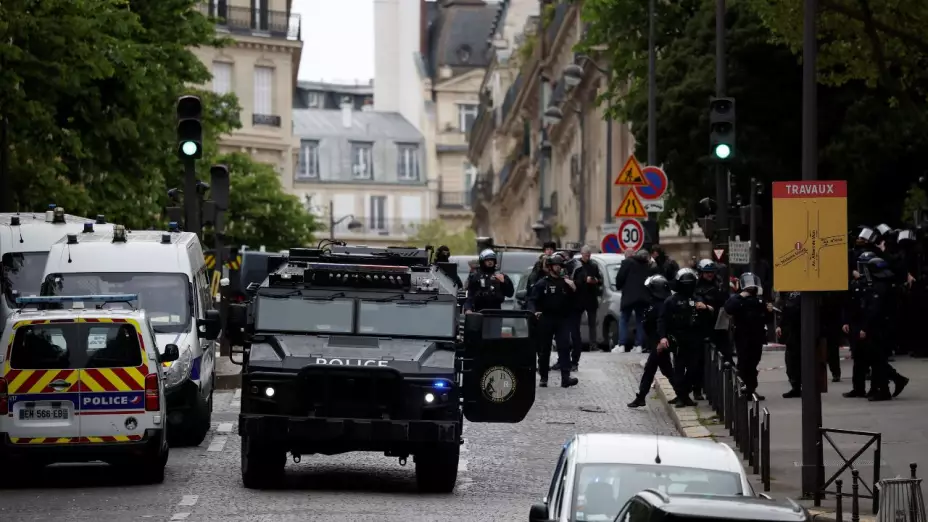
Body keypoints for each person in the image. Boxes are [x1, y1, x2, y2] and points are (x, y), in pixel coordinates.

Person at [842, 254, 909, 400]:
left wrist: (865, 328)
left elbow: (875, 309)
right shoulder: (874, 284)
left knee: (876, 359)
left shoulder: (880, 286)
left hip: (878, 327)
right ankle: (871, 388)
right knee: (865, 358)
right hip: (869, 325)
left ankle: (883, 388)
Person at [657, 268, 711, 408]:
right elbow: (662, 320)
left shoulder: (695, 299)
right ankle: (682, 397)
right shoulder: (671, 301)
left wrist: (705, 308)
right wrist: (663, 337)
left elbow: (708, 316)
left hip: (694, 338)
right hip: (678, 339)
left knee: (693, 369)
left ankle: (684, 394)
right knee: (679, 369)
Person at [528, 253, 579, 388]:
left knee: (564, 347)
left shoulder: (566, 283)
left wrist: (574, 288)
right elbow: (532, 300)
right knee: (545, 349)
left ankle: (565, 377)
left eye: (560, 265)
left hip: (562, 319)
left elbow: (575, 301)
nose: (559, 268)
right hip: (546, 319)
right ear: (550, 267)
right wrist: (534, 312)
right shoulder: (542, 283)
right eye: (556, 265)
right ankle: (544, 376)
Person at [627, 275, 678, 408]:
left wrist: (661, 341)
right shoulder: (656, 303)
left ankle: (642, 397)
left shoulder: (661, 305)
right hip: (655, 341)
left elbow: (661, 324)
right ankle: (681, 394)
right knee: (665, 369)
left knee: (652, 368)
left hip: (659, 342)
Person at [724, 272, 773, 400]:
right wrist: (740, 296)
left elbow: (768, 319)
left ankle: (751, 389)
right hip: (743, 336)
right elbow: (728, 308)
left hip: (757, 336)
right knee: (743, 363)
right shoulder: (738, 299)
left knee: (753, 363)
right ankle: (742, 388)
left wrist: (769, 310)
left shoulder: (759, 300)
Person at [693, 259, 725, 401]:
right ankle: (697, 389)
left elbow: (724, 301)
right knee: (698, 360)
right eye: (707, 272)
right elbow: (694, 300)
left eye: (711, 272)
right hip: (700, 327)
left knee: (723, 358)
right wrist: (700, 305)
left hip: (717, 326)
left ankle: (718, 388)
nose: (709, 275)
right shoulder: (696, 286)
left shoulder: (719, 284)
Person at [613, 248, 655, 353]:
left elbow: (620, 277)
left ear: (627, 255)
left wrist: (619, 286)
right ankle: (639, 345)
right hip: (643, 296)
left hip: (629, 296)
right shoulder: (646, 264)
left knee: (624, 319)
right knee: (640, 320)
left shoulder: (627, 262)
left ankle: (622, 344)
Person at [570, 245, 603, 364]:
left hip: (591, 297)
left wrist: (594, 280)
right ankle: (576, 344)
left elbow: (600, 280)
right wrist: (585, 280)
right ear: (581, 254)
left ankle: (593, 344)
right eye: (585, 254)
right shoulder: (577, 265)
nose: (587, 256)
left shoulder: (594, 265)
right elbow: (574, 281)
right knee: (576, 324)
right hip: (579, 298)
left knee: (592, 323)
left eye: (589, 255)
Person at [463, 249, 514, 314]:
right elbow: (470, 296)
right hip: (479, 312)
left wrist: (503, 282)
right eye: (487, 260)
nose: (490, 262)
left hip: (496, 313)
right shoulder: (476, 277)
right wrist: (468, 309)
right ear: (482, 261)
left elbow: (510, 294)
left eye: (492, 260)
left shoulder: (500, 276)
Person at [775, 291, 802, 398]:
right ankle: (795, 386)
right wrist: (780, 325)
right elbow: (785, 310)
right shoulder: (788, 293)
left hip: (803, 329)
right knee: (791, 361)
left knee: (801, 361)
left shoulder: (804, 292)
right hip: (792, 332)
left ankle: (803, 386)